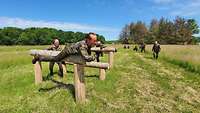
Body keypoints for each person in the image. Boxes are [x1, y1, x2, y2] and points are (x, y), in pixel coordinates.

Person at [32, 32, 97, 65]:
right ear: (88, 40)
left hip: (72, 49)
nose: (95, 42)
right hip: (67, 50)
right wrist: (94, 57)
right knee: (56, 59)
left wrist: (101, 45)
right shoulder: (82, 45)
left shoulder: (88, 42)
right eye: (94, 41)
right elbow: (86, 58)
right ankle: (39, 57)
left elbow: (96, 44)